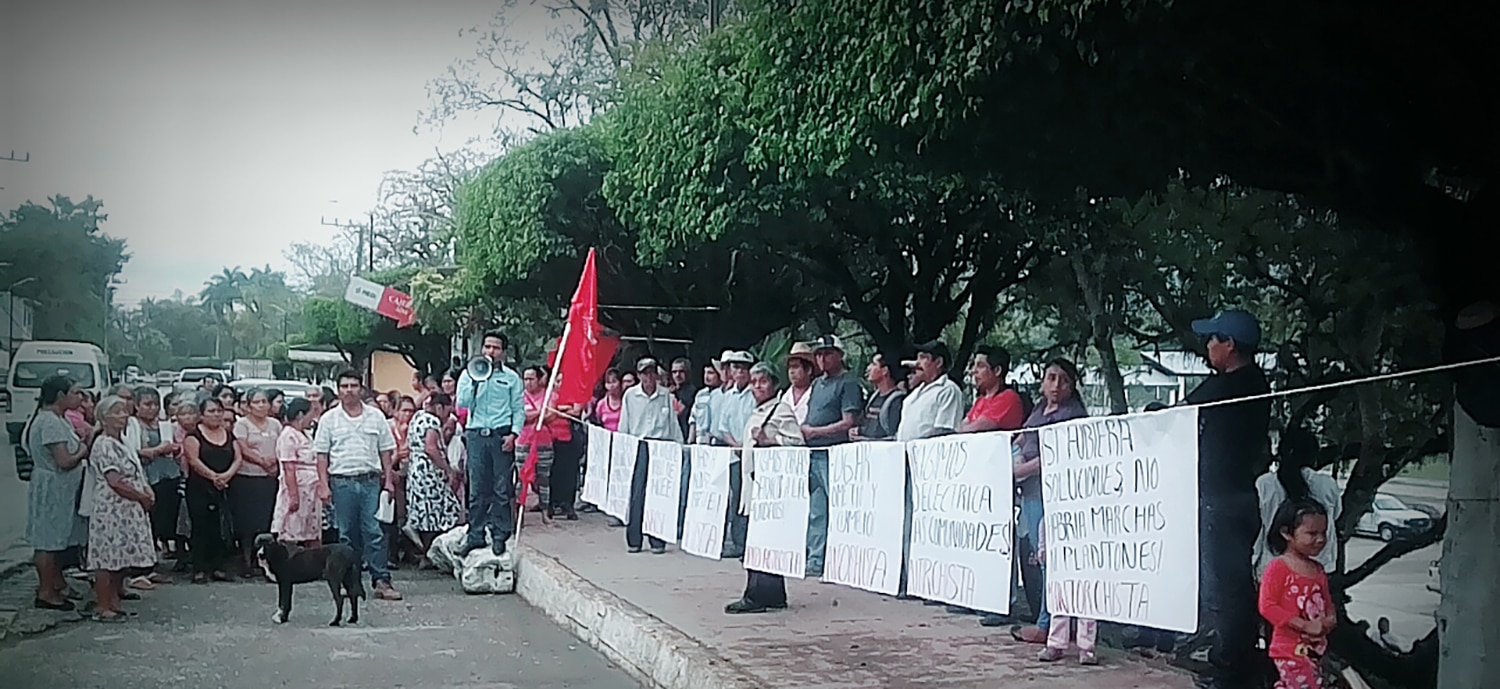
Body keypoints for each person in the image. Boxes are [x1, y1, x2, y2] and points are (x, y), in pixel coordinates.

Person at [1183, 309, 1272, 688]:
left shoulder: (1233, 384)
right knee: (1229, 585)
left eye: (1213, 340)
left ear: (1230, 344)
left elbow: (1182, 409)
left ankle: (1231, 668)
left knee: (1228, 588)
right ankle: (1233, 660)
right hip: (1233, 497)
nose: (1208, 348)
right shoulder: (1251, 382)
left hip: (1226, 500)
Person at [992, 358, 1088, 638]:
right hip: (1032, 493)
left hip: (1054, 495)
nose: (1056, 385)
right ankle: (1049, 620)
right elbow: (1022, 437)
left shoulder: (1073, 415)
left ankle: (1049, 624)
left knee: (1050, 559)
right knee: (1039, 557)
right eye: (1051, 378)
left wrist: (1020, 469)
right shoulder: (1038, 409)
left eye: (1063, 380)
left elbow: (1056, 455)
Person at [313, 370, 403, 600]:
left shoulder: (375, 416)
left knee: (374, 532)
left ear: (361, 388)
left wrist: (389, 480)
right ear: (338, 389)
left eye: (354, 385)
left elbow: (386, 450)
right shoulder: (328, 419)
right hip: (341, 482)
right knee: (346, 536)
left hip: (370, 481)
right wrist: (323, 485)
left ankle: (381, 580)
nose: (349, 390)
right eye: (344, 386)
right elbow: (322, 455)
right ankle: (349, 583)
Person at [724, 362, 805, 614]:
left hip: (769, 487)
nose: (758, 386)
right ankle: (772, 594)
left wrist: (770, 440)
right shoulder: (757, 411)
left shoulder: (781, 410)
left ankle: (757, 594)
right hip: (752, 485)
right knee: (759, 539)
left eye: (763, 381)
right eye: (754, 382)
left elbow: (798, 443)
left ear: (774, 384)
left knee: (761, 539)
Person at [85, 395, 158, 622]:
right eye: (116, 412)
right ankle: (103, 604)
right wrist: (140, 497)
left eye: (125, 411)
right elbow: (114, 480)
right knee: (106, 557)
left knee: (119, 555)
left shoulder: (121, 441)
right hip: (112, 507)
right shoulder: (104, 443)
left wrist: (145, 491)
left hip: (127, 507)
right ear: (103, 417)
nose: (123, 416)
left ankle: (114, 600)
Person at [23, 375, 91, 611]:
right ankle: (46, 591)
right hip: (53, 487)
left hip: (59, 488)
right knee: (48, 541)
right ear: (61, 396)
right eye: (75, 393)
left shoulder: (54, 419)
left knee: (54, 539)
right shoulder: (50, 422)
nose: (80, 398)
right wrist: (83, 448)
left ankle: (55, 583)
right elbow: (64, 461)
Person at [798, 335, 864, 577]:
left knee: (838, 508)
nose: (822, 359)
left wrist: (815, 431)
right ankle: (816, 559)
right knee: (817, 509)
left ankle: (840, 558)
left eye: (827, 353)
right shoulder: (817, 384)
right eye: (818, 354)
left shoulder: (848, 384)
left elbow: (849, 421)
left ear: (839, 355)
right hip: (814, 452)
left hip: (834, 454)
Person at [455, 331, 524, 559]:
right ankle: (475, 534)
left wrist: (513, 435)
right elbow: (462, 402)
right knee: (476, 489)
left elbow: (518, 409)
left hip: (500, 435)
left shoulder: (512, 378)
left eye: (495, 348)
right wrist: (476, 381)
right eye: (487, 347)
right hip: (476, 434)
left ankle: (499, 534)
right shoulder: (469, 373)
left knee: (501, 488)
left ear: (503, 352)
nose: (490, 352)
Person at [1258, 499, 1336, 689]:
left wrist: (1329, 620)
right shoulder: (1279, 567)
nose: (1320, 539)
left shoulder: (1318, 570)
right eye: (1311, 533)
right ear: (1286, 533)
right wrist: (1304, 625)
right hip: (1289, 651)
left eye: (1323, 533)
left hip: (1316, 651)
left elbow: (1328, 604)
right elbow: (1267, 605)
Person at [1254, 428, 1341, 579]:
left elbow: (1256, 529)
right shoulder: (1327, 484)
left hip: (1272, 569)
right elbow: (1336, 515)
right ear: (1314, 455)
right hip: (1318, 569)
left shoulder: (1265, 484)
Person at [620, 356, 685, 554]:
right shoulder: (631, 395)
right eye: (644, 373)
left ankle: (657, 539)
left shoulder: (665, 395)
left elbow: (672, 423)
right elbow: (625, 423)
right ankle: (634, 539)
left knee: (659, 494)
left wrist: (679, 446)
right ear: (639, 375)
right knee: (638, 493)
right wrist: (624, 449)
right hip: (640, 445)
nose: (648, 377)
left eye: (651, 372)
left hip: (661, 446)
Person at [182, 397, 240, 583]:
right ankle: (200, 568)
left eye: (218, 411)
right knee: (201, 528)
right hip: (200, 487)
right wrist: (214, 477)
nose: (216, 415)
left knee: (220, 528)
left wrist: (226, 476)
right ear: (201, 415)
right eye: (211, 411)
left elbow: (238, 457)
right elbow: (193, 460)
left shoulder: (229, 434)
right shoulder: (193, 435)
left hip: (225, 486)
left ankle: (218, 566)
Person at [710, 351, 757, 558]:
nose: (739, 372)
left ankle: (749, 541)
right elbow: (722, 426)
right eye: (736, 368)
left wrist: (746, 445)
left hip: (752, 452)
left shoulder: (754, 394)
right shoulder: (727, 396)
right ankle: (738, 542)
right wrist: (736, 444)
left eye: (743, 368)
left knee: (750, 497)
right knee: (736, 497)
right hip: (734, 452)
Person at [130, 386, 178, 587]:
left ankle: (153, 564)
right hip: (145, 479)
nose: (152, 409)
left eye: (155, 405)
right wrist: (158, 449)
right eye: (147, 404)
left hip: (166, 476)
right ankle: (139, 568)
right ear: (136, 406)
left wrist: (167, 449)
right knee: (145, 521)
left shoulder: (164, 425)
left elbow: (172, 446)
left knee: (162, 520)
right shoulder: (133, 426)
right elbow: (137, 452)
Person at [232, 388, 281, 577]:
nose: (261, 406)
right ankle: (246, 561)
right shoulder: (242, 424)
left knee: (267, 520)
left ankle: (267, 561)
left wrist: (273, 462)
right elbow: (242, 447)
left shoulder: (275, 424)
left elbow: (281, 445)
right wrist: (261, 461)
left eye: (264, 402)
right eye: (257, 402)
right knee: (247, 523)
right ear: (249, 405)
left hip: (269, 479)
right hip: (247, 478)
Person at [406, 392, 464, 553]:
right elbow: (430, 447)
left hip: (415, 468)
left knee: (424, 509)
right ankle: (432, 550)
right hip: (428, 470)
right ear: (439, 407)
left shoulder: (417, 417)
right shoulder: (431, 421)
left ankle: (426, 548)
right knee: (439, 509)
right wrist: (446, 468)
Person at [1035, 517, 1099, 664]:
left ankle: (1086, 647)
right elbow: (1047, 519)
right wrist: (1043, 546)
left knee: (1087, 599)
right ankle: (1056, 644)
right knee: (1060, 599)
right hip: (1061, 552)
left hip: (1087, 549)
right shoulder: (1058, 498)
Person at [271, 398, 322, 546]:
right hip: (298, 488)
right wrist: (293, 495)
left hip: (311, 489)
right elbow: (289, 467)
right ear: (300, 415)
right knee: (292, 528)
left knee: (311, 530)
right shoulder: (288, 435)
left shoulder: (305, 434)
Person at [895, 341, 966, 441]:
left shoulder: (948, 390)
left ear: (938, 362)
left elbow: (944, 431)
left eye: (923, 357)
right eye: (918, 358)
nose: (917, 363)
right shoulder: (916, 392)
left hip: (928, 453)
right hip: (907, 452)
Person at [518, 365, 564, 519]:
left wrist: (533, 416)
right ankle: (520, 514)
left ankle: (545, 512)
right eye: (525, 379)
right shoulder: (518, 396)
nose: (528, 382)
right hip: (523, 442)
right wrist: (539, 413)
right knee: (521, 478)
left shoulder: (549, 395)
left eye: (531, 379)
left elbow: (551, 416)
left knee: (543, 478)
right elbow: (520, 418)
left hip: (544, 442)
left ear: (539, 380)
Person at [960, 345, 1027, 433]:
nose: (973, 371)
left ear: (997, 371)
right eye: (973, 365)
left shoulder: (1008, 397)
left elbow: (975, 428)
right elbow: (962, 427)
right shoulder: (981, 400)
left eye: (980, 366)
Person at [850, 353, 906, 441]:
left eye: (873, 364)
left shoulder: (897, 401)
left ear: (885, 371)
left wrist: (864, 437)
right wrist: (857, 430)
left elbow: (892, 435)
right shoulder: (873, 397)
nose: (868, 368)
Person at [782, 343, 818, 424]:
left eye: (795, 367)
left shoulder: (817, 393)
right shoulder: (783, 395)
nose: (791, 371)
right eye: (789, 367)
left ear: (808, 370)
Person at [689, 361, 722, 444]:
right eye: (705, 373)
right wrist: (691, 439)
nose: (706, 377)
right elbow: (693, 418)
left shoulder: (725, 395)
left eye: (710, 373)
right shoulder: (700, 394)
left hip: (717, 440)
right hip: (700, 438)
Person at [670, 356, 696, 439]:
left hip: (685, 434)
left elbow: (678, 412)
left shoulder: (691, 391)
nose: (677, 375)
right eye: (674, 372)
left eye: (681, 372)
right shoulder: (672, 391)